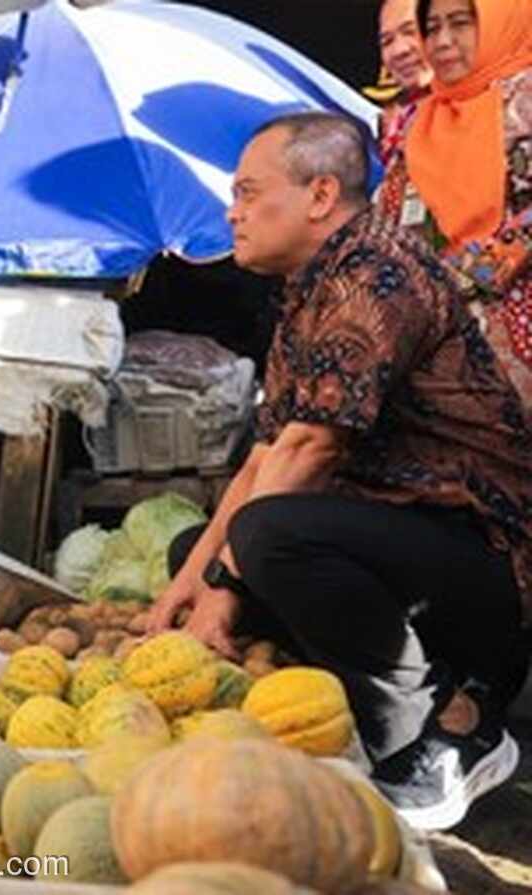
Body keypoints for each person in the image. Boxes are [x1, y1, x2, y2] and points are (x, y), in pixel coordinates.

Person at [148, 112, 532, 831]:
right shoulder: (311, 288)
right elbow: (264, 456)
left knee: (268, 538)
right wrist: (178, 600)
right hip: (404, 545)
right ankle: (352, 705)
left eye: (248, 191)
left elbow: (311, 451)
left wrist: (223, 592)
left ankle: (447, 728)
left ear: (320, 195)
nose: (231, 211)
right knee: (206, 549)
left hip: (487, 563)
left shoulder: (378, 278)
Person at [377, 0, 532, 404]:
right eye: (431, 28)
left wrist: (464, 278)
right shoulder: (419, 121)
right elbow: (392, 218)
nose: (442, 42)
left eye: (461, 24)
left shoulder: (525, 102)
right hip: (436, 343)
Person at [376, 0, 434, 167]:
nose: (399, 50)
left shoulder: (493, 106)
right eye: (387, 42)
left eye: (410, 32)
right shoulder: (396, 127)